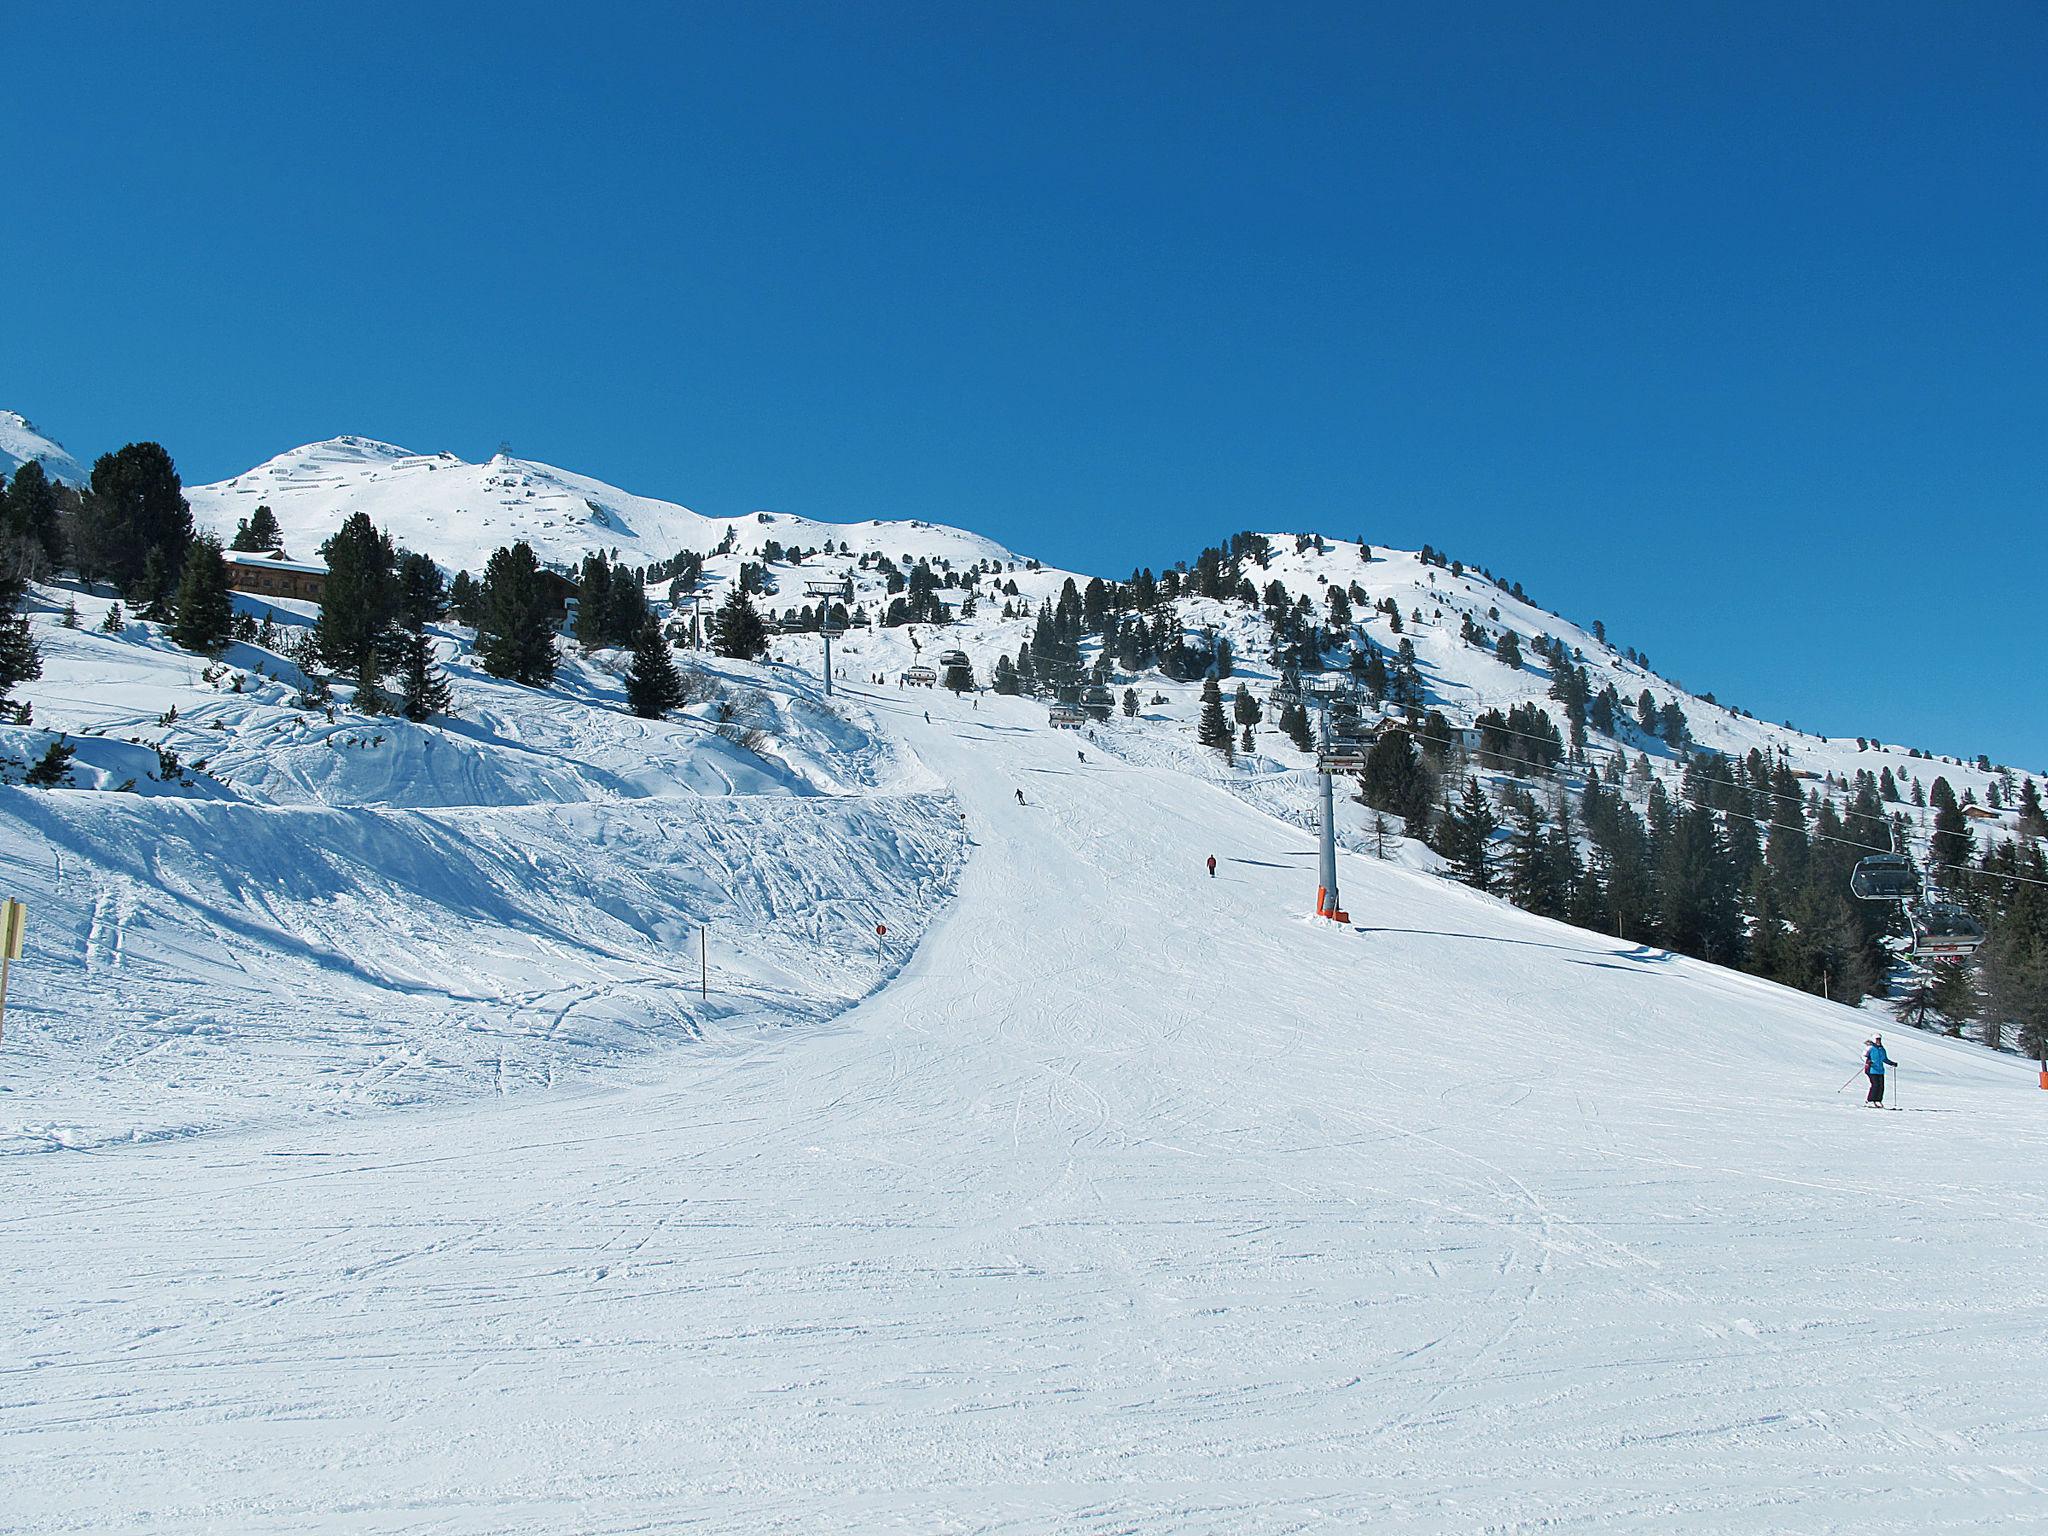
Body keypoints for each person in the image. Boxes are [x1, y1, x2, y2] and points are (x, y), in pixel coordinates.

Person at [1864, 1035, 1891, 1106]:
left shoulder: (1881, 1049)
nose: (1878, 1041)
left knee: (1881, 1086)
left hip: (1880, 1070)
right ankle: (1870, 1100)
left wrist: (1891, 1063)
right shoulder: (1870, 1048)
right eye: (1877, 1039)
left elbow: (1884, 1059)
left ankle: (1878, 1100)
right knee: (1875, 1085)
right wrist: (1868, 1061)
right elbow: (1864, 1056)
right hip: (1871, 1069)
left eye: (1879, 1039)